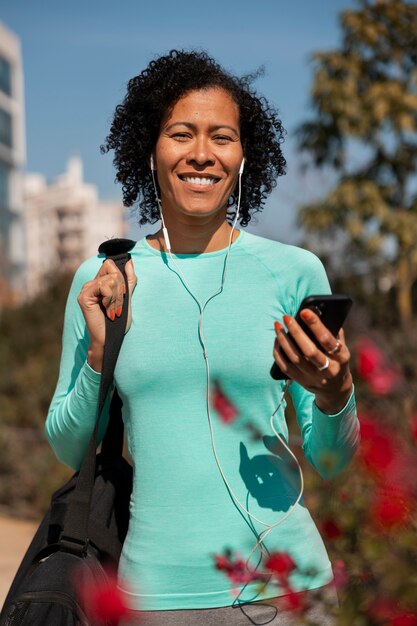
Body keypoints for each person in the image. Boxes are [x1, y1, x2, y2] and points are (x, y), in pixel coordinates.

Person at [45, 50, 359, 626]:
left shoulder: (294, 271)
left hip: (291, 595)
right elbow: (69, 449)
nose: (201, 153)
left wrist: (337, 393)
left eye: (222, 137)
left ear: (243, 156)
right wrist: (98, 356)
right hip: (153, 598)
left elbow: (334, 462)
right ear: (151, 149)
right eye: (181, 133)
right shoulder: (105, 279)